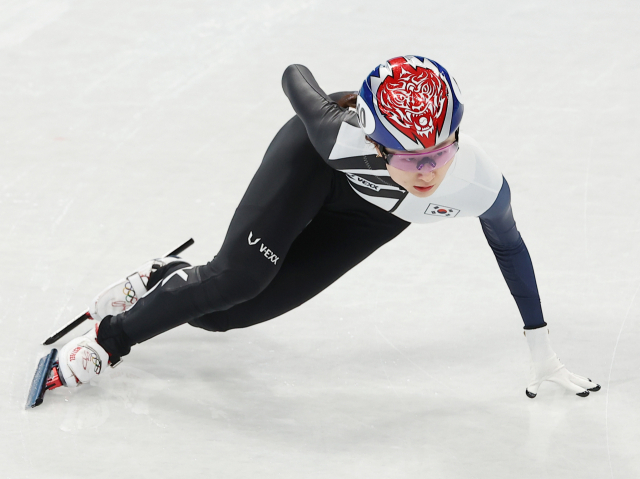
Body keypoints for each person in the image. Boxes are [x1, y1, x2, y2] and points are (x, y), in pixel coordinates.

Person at [52, 56, 599, 399]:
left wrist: (539, 343)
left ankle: (162, 277)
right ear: (375, 140)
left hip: (370, 218)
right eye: (409, 158)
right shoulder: (336, 133)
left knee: (227, 319)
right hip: (309, 169)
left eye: (440, 152)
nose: (428, 171)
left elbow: (510, 247)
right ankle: (110, 340)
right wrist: (337, 101)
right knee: (235, 278)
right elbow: (295, 74)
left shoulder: (479, 182)